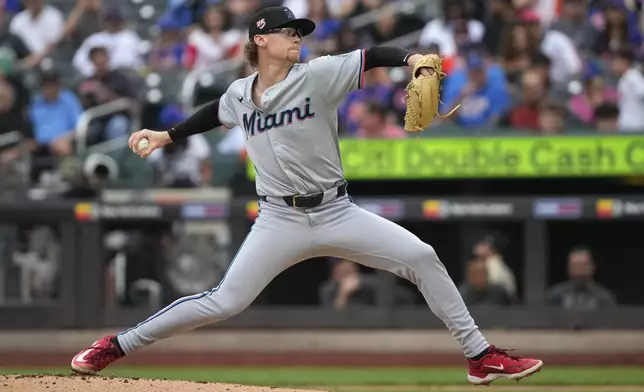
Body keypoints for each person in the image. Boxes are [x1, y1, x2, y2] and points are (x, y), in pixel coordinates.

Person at [70, 6, 543, 386]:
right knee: (225, 301)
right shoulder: (239, 93)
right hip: (279, 221)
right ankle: (119, 344)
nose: (297, 36)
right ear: (261, 40)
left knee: (421, 256)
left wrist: (411, 61)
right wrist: (166, 135)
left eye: (299, 31)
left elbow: (372, 53)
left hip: (337, 210)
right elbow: (214, 112)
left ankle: (480, 356)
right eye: (286, 31)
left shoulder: (318, 75)